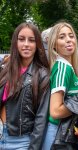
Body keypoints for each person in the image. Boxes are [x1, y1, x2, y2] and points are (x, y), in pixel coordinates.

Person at [0, 22, 50, 150]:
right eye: (21, 39)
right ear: (15, 43)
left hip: (21, 142)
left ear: (37, 44)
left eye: (31, 40)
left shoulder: (42, 74)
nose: (26, 44)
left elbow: (41, 118)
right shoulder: (5, 70)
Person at [43, 21, 78, 150]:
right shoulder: (62, 67)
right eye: (62, 37)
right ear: (54, 44)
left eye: (71, 35)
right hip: (57, 135)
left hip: (63, 132)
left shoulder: (67, 67)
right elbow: (55, 111)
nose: (68, 40)